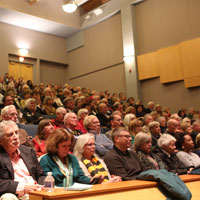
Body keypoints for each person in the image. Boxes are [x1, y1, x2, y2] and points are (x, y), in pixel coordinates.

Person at [0, 121, 45, 199]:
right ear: (1, 141)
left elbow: (40, 174)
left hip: (35, 192)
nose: (15, 137)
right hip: (14, 193)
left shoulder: (28, 151)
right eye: (10, 134)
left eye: (16, 133)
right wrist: (22, 187)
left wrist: (43, 185)